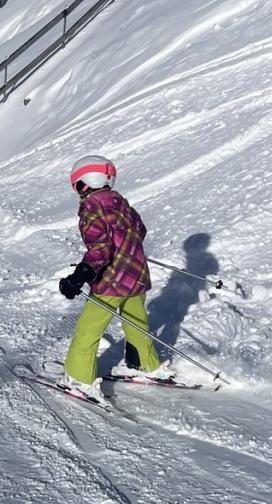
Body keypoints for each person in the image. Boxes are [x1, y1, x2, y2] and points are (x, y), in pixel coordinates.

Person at [57, 155, 174, 402]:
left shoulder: (92, 208)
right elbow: (140, 230)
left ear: (84, 183)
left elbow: (100, 249)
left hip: (112, 281)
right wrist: (125, 247)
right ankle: (143, 364)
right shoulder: (121, 202)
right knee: (135, 323)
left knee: (88, 330)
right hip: (137, 274)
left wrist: (80, 275)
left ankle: (78, 378)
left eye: (77, 186)